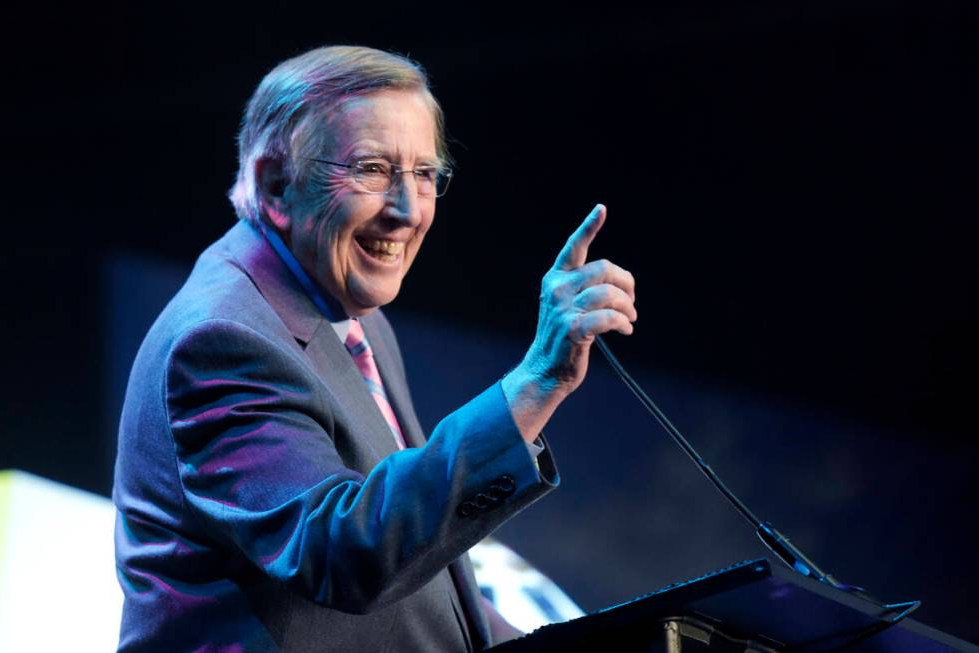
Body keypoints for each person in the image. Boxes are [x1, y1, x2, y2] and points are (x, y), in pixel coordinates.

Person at [113, 45, 637, 652]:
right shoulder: (223, 340)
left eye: (423, 174)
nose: (407, 211)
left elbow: (417, 559)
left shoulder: (348, 312)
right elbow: (346, 551)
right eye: (370, 170)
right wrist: (537, 381)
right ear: (276, 185)